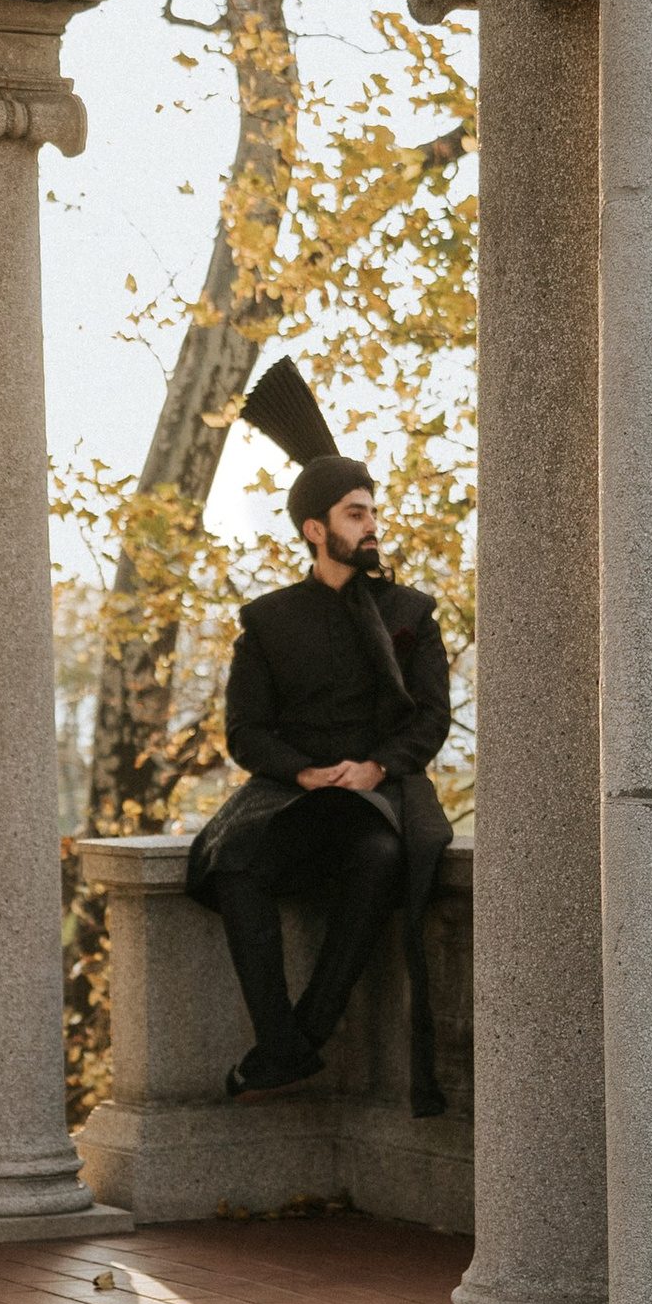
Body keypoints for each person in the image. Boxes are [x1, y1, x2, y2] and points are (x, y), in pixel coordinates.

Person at [185, 452, 454, 1107]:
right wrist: (303, 771)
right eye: (355, 514)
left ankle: (299, 1037)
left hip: (377, 797)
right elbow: (245, 731)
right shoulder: (268, 620)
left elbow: (432, 717)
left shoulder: (411, 611)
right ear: (315, 528)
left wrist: (376, 766)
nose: (371, 527)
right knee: (235, 861)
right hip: (292, 795)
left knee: (384, 855)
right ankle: (280, 1040)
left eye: (372, 513)